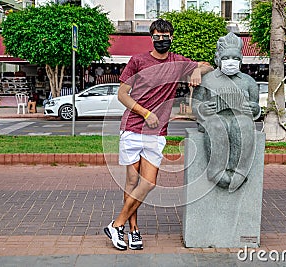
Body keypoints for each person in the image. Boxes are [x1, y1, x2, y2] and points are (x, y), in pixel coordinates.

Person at [104, 18, 213, 251]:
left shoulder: (177, 62)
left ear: (171, 37)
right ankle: (132, 231)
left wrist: (196, 70)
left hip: (156, 133)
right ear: (151, 37)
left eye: (166, 36)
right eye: (157, 36)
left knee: (149, 183)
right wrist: (144, 113)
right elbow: (122, 94)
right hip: (133, 128)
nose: (161, 40)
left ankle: (116, 224)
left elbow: (208, 65)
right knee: (132, 182)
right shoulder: (138, 61)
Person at [192, 32, 260, 192]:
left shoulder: (248, 82)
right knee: (217, 126)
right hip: (214, 119)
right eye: (226, 58)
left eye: (235, 59)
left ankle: (239, 170)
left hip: (240, 117)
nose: (231, 62)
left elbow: (256, 106)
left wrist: (253, 108)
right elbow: (196, 104)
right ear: (217, 59)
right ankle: (217, 170)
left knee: (242, 125)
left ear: (241, 60)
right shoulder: (207, 80)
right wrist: (203, 109)